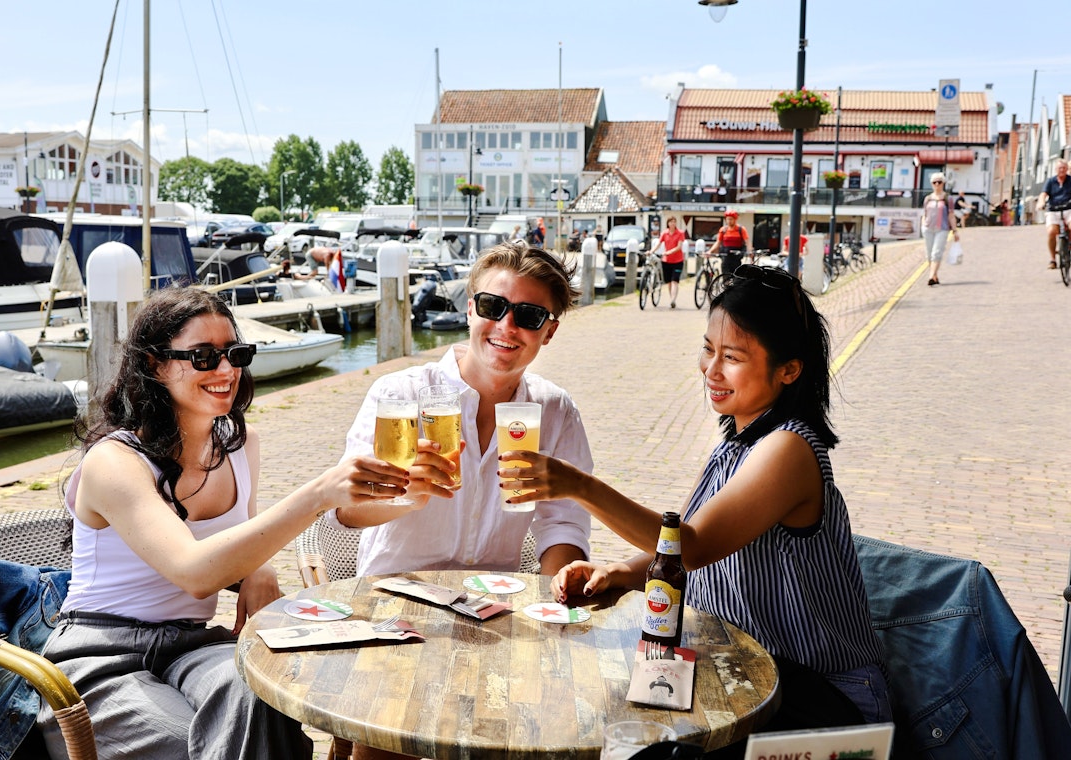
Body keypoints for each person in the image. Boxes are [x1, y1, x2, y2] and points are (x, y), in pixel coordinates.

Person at [499, 264, 891, 732]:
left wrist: (579, 485)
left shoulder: (789, 448)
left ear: (789, 370)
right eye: (708, 350)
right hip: (744, 676)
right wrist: (618, 572)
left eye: (733, 357)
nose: (711, 369)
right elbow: (672, 547)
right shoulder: (735, 445)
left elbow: (693, 544)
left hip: (820, 699)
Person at [37, 288, 406, 759]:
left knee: (267, 705)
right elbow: (195, 572)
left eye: (235, 353)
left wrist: (258, 568)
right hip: (101, 653)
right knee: (195, 745)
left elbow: (237, 544)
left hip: (192, 643)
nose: (227, 371)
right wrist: (318, 494)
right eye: (204, 357)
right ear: (155, 364)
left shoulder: (239, 444)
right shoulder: (114, 460)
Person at [330, 240, 592, 577]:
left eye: (529, 315)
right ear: (471, 310)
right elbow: (343, 510)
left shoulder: (556, 411)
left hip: (494, 604)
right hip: (394, 598)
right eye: (492, 306)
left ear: (549, 332)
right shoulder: (399, 394)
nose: (507, 326)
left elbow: (564, 523)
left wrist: (553, 595)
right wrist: (401, 495)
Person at [920, 172, 958, 286]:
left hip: (942, 228)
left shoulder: (948, 198)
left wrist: (955, 230)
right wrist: (922, 225)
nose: (937, 184)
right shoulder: (927, 198)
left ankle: (931, 276)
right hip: (928, 228)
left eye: (939, 182)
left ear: (943, 183)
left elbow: (951, 215)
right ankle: (935, 275)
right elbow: (924, 213)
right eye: (934, 182)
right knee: (929, 253)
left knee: (936, 253)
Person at [1038, 158, 1071, 270]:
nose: (1061, 170)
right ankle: (1053, 259)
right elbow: (1043, 194)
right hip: (1053, 209)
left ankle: (1069, 247)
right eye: (1059, 168)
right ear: (1056, 169)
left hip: (1068, 209)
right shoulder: (1051, 181)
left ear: (1067, 169)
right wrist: (1041, 202)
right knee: (1052, 232)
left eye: (1064, 168)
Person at [647, 215, 687, 308]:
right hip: (666, 261)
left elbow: (679, 246)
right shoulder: (664, 233)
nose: (673, 223)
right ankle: (671, 298)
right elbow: (659, 244)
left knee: (675, 281)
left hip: (677, 260)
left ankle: (673, 300)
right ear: (668, 223)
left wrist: (669, 252)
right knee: (669, 281)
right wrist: (651, 251)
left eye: (674, 221)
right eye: (671, 222)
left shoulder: (680, 233)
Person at [706, 209, 750, 275]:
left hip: (736, 257)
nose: (729, 221)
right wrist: (710, 251)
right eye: (727, 219)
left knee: (736, 276)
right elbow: (718, 242)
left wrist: (750, 251)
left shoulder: (741, 229)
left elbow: (747, 241)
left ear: (735, 219)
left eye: (731, 219)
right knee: (725, 276)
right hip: (726, 257)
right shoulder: (723, 230)